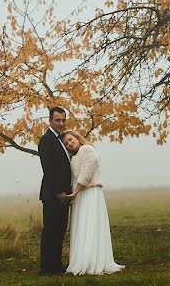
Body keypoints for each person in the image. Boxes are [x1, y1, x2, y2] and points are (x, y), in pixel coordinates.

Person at [60, 129, 124, 275]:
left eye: (71, 139)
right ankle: (83, 259)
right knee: (82, 226)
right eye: (66, 143)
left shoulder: (87, 149)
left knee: (90, 225)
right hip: (81, 194)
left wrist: (74, 193)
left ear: (77, 137)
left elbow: (86, 174)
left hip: (90, 193)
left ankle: (93, 261)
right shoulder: (74, 156)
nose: (69, 143)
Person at [37, 106, 72, 275]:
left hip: (64, 195)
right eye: (57, 120)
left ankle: (56, 266)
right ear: (50, 121)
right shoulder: (46, 140)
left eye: (63, 120)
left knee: (59, 231)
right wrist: (59, 192)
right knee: (50, 231)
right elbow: (49, 169)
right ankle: (46, 268)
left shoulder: (62, 139)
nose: (61, 123)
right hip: (53, 195)